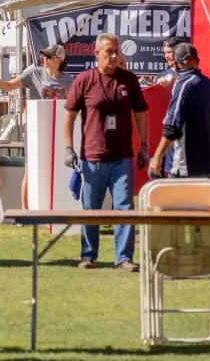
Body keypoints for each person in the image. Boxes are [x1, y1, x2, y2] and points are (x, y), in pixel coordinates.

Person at [63, 33, 149, 272]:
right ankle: (88, 256)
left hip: (123, 157)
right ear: (97, 53)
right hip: (92, 157)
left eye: (116, 51)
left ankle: (124, 258)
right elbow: (69, 116)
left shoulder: (129, 80)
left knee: (124, 207)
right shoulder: (84, 80)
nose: (114, 55)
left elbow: (141, 113)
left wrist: (144, 146)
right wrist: (68, 148)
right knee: (91, 208)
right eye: (109, 51)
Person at [0, 44, 74, 207]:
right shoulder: (34, 73)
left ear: (59, 59)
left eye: (48, 56)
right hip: (35, 131)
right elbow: (10, 85)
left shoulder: (69, 81)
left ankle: (55, 209)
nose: (44, 59)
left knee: (57, 172)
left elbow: (75, 106)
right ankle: (25, 212)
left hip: (58, 133)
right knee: (30, 171)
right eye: (44, 56)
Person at [148, 43, 210, 180]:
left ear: (175, 64)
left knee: (173, 200)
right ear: (197, 62)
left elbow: (172, 127)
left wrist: (158, 157)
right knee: (199, 202)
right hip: (207, 164)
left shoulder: (183, 85)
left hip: (184, 166)